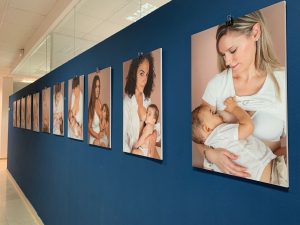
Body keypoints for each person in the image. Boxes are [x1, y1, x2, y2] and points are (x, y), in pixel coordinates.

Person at [196, 11, 287, 184]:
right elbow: (199, 134)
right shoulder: (216, 85)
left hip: (273, 183)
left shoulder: (284, 81)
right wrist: (212, 155)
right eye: (224, 55)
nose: (228, 61)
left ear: (255, 33)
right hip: (226, 186)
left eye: (232, 50)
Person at [192, 97, 276, 182]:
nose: (217, 114)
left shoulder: (208, 160)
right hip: (270, 171)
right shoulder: (220, 132)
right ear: (207, 128)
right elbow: (248, 127)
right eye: (213, 113)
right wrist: (234, 108)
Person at [123, 53, 160, 159]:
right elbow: (122, 141)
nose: (145, 79)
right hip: (135, 155)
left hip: (148, 150)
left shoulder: (147, 100)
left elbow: (156, 123)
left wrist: (154, 135)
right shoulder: (126, 103)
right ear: (134, 74)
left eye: (147, 75)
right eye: (141, 73)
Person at [88, 74, 103, 145]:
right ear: (93, 88)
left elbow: (102, 121)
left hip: (100, 136)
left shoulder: (99, 102)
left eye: (99, 87)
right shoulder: (91, 106)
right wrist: (97, 136)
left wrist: (102, 132)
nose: (97, 89)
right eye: (96, 86)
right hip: (94, 138)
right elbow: (89, 128)